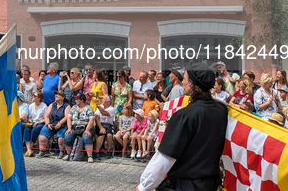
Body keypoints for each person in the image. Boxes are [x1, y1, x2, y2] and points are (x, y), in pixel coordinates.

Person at [137, 63, 228, 191]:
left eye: (185, 78)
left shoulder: (184, 116)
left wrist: (143, 186)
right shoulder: (221, 110)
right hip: (210, 184)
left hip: (186, 185)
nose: (183, 81)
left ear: (192, 83)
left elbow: (165, 157)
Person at [63, 93, 96, 163]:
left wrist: (87, 130)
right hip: (75, 128)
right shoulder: (74, 108)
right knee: (67, 136)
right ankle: (68, 154)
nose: (75, 100)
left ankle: (90, 156)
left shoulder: (89, 108)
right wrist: (69, 128)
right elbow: (69, 118)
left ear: (82, 100)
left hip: (86, 127)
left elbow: (91, 120)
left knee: (86, 137)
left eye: (77, 99)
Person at [38, 91, 70, 159]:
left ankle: (61, 152)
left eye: (58, 95)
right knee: (42, 137)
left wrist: (60, 123)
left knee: (61, 139)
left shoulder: (67, 106)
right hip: (51, 123)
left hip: (62, 124)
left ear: (63, 97)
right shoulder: (52, 105)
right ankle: (42, 151)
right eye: (55, 95)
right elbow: (46, 116)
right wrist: (47, 124)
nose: (56, 95)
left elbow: (67, 117)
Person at [23, 91, 46, 157]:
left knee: (35, 130)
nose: (33, 97)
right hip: (32, 121)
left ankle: (30, 148)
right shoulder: (31, 106)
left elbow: (45, 118)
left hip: (40, 122)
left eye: (34, 96)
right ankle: (28, 149)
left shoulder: (44, 106)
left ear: (39, 98)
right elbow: (29, 118)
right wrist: (31, 122)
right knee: (26, 129)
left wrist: (37, 123)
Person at [94, 95, 115, 159]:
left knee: (109, 134)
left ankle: (109, 150)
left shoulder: (112, 109)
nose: (102, 100)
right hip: (100, 124)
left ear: (108, 102)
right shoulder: (100, 107)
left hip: (108, 124)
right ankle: (96, 152)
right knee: (102, 134)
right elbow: (96, 118)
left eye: (103, 99)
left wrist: (97, 104)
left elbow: (104, 113)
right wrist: (101, 127)